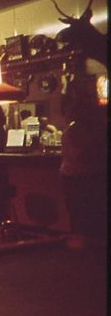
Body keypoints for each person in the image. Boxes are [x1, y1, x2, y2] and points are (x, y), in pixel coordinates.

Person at [60, 101, 107, 243]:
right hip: (80, 174)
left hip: (71, 173)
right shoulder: (80, 130)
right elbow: (79, 153)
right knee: (85, 210)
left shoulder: (73, 129)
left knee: (78, 210)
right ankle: (87, 241)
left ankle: (81, 239)